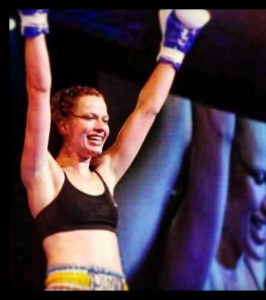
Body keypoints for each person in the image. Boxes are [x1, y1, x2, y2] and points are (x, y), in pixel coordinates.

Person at [18, 9, 211, 290]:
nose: (101, 127)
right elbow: (39, 91)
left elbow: (147, 111)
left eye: (105, 119)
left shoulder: (106, 173)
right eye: (89, 117)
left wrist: (174, 49)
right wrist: (34, 25)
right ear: (62, 125)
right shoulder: (42, 174)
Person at [159, 104, 266, 290]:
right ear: (222, 173)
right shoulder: (193, 266)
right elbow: (216, 132)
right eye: (259, 179)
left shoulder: (251, 265)